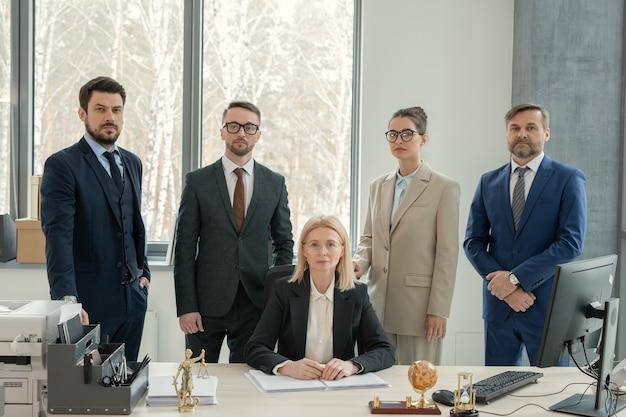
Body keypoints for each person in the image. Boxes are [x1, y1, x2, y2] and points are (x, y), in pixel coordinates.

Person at [464, 103, 586, 366]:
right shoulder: (488, 181)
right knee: (496, 392)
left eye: (531, 127)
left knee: (553, 394)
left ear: (546, 133)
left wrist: (516, 279)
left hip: (545, 308)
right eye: (515, 128)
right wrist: (506, 289)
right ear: (507, 134)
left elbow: (570, 244)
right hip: (499, 309)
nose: (522, 134)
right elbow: (473, 242)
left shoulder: (568, 179)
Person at [174, 101, 294, 363]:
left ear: (258, 135)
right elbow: (183, 247)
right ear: (222, 132)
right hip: (205, 304)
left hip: (256, 303)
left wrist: (277, 299)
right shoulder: (198, 182)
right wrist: (187, 306)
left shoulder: (275, 183)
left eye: (249, 127)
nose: (241, 132)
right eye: (234, 126)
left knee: (247, 382)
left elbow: (284, 244)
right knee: (196, 378)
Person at [41, 76, 150, 361]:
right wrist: (68, 302)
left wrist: (144, 271)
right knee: (87, 393)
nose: (110, 117)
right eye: (100, 109)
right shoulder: (63, 165)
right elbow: (58, 236)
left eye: (116, 109)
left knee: (125, 383)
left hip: (132, 302)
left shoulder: (132, 162)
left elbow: (133, 222)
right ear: (82, 114)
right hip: (88, 303)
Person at [353, 106, 460, 365]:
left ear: (423, 138)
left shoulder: (444, 187)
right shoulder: (377, 186)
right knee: (378, 382)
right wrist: (358, 262)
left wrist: (439, 310)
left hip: (420, 308)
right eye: (392, 134)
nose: (398, 140)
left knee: (418, 386)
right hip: (378, 303)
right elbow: (369, 238)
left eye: (406, 134)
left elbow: (447, 254)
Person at [246, 215, 394, 379]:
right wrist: (288, 367)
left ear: (342, 250)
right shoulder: (284, 290)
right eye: (314, 245)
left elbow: (385, 350)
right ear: (304, 250)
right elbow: (255, 348)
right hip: (293, 386)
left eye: (331, 244)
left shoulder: (356, 293)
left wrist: (351, 366)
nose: (323, 252)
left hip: (339, 387)